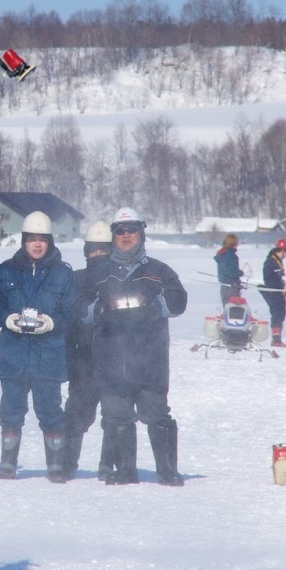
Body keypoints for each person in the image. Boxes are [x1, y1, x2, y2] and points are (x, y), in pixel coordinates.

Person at [77, 207, 188, 486]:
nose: (126, 236)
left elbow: (179, 302)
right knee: (117, 416)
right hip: (111, 360)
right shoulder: (98, 273)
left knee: (157, 414)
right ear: (113, 236)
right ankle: (125, 471)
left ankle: (167, 471)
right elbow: (79, 309)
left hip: (151, 362)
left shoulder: (159, 270)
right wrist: (101, 308)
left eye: (132, 230)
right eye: (120, 231)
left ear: (141, 233)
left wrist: (154, 305)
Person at [0, 211, 77, 482]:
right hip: (14, 354)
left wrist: (52, 322)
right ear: (24, 241)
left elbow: (73, 312)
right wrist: (8, 319)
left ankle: (56, 467)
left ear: (50, 242)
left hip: (49, 355)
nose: (37, 245)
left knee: (50, 411)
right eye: (32, 239)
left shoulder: (63, 274)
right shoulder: (5, 271)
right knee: (11, 411)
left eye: (42, 240)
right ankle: (8, 464)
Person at [64, 220, 114, 481]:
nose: (98, 255)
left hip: (116, 359)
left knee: (114, 415)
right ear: (86, 252)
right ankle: (66, 463)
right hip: (82, 358)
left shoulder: (120, 279)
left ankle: (108, 465)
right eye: (93, 250)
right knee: (75, 414)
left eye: (103, 250)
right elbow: (67, 319)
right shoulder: (76, 279)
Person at [261, 238, 286, 347]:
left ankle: (277, 338)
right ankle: (276, 339)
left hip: (279, 292)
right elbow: (273, 279)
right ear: (282, 250)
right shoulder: (271, 262)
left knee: (281, 314)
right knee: (277, 314)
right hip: (274, 292)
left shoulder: (278, 261)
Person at [213, 233, 245, 307]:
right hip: (231, 287)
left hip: (224, 287)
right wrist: (242, 273)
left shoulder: (222, 254)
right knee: (234, 309)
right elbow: (231, 272)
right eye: (237, 243)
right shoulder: (230, 255)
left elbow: (225, 270)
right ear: (234, 243)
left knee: (228, 308)